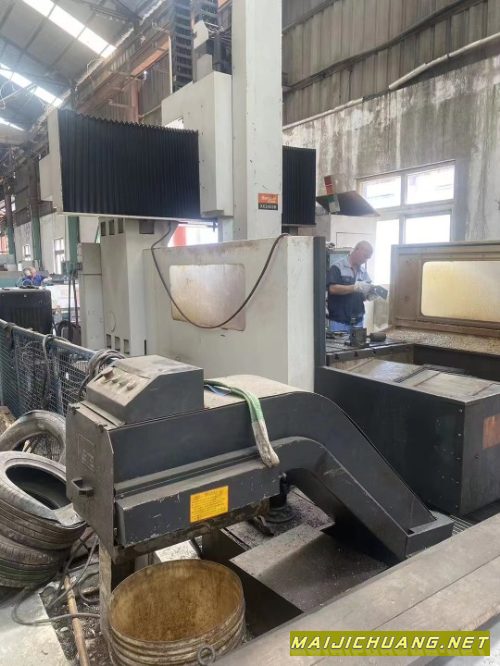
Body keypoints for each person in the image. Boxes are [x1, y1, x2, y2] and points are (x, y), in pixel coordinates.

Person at [327, 241, 374, 333]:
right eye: (365, 256)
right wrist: (355, 287)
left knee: (358, 343)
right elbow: (332, 289)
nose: (365, 260)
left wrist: (370, 295)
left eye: (368, 258)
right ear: (357, 250)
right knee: (338, 343)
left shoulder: (363, 272)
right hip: (339, 321)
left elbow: (364, 296)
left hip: (358, 320)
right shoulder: (337, 267)